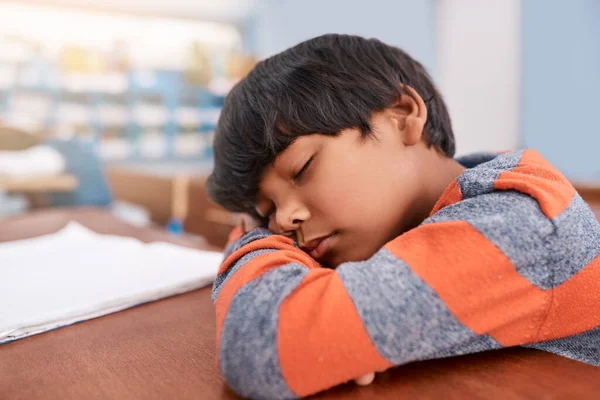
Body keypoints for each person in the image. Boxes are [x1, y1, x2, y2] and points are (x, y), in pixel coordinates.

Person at [206, 34, 600, 399]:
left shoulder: (519, 223)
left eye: (302, 168)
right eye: (268, 213)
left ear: (402, 113)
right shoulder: (420, 215)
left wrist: (253, 242)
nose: (286, 220)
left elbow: (262, 344)